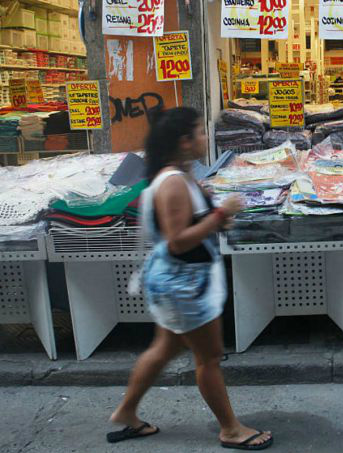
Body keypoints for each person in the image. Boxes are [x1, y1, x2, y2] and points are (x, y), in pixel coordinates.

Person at [107, 107, 274, 451]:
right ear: (184, 142)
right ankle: (230, 429)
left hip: (180, 283)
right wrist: (219, 214)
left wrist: (215, 217)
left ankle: (126, 411)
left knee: (164, 349)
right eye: (199, 132)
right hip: (183, 286)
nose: (204, 137)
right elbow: (178, 240)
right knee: (209, 358)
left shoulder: (181, 178)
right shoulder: (173, 184)